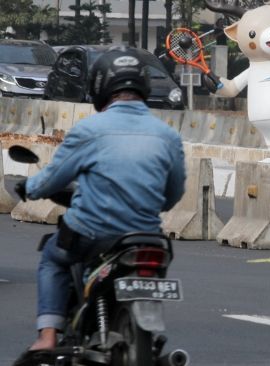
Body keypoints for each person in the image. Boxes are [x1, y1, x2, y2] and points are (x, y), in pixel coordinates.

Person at [13, 46, 186, 362]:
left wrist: (30, 187)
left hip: (93, 233)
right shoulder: (167, 135)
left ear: (100, 87)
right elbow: (173, 194)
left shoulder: (89, 130)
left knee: (53, 255)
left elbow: (52, 179)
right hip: (147, 238)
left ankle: (48, 336)